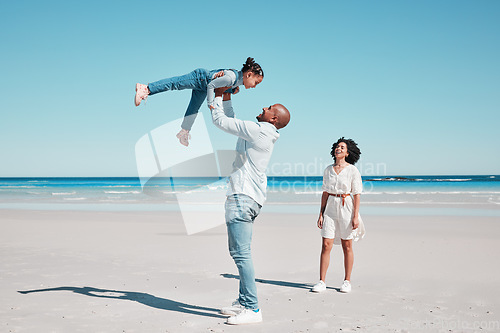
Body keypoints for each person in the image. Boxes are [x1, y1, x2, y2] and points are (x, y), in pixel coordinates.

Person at [210, 87, 290, 325]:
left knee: (241, 254)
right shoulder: (259, 132)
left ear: (273, 118)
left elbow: (220, 121)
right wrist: (227, 97)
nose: (264, 108)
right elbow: (232, 121)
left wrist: (213, 93)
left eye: (269, 108)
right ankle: (244, 301)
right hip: (249, 198)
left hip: (242, 198)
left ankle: (253, 308)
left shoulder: (258, 131)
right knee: (240, 253)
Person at [134, 57, 264, 146]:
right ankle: (146, 88)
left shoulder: (235, 82)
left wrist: (232, 91)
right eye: (256, 82)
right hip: (200, 78)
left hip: (204, 85)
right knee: (175, 84)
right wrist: (210, 103)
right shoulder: (231, 78)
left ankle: (184, 132)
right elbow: (212, 86)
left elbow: (221, 87)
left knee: (194, 108)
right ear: (249, 74)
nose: (255, 86)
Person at [311, 138, 366, 294]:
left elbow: (357, 195)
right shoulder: (328, 170)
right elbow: (325, 193)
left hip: (346, 206)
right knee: (326, 244)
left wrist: (355, 216)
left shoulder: (353, 170)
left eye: (342, 147)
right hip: (330, 207)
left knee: (347, 245)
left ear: (347, 152)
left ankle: (347, 281)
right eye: (337, 146)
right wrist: (321, 213)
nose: (338, 148)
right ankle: (322, 281)